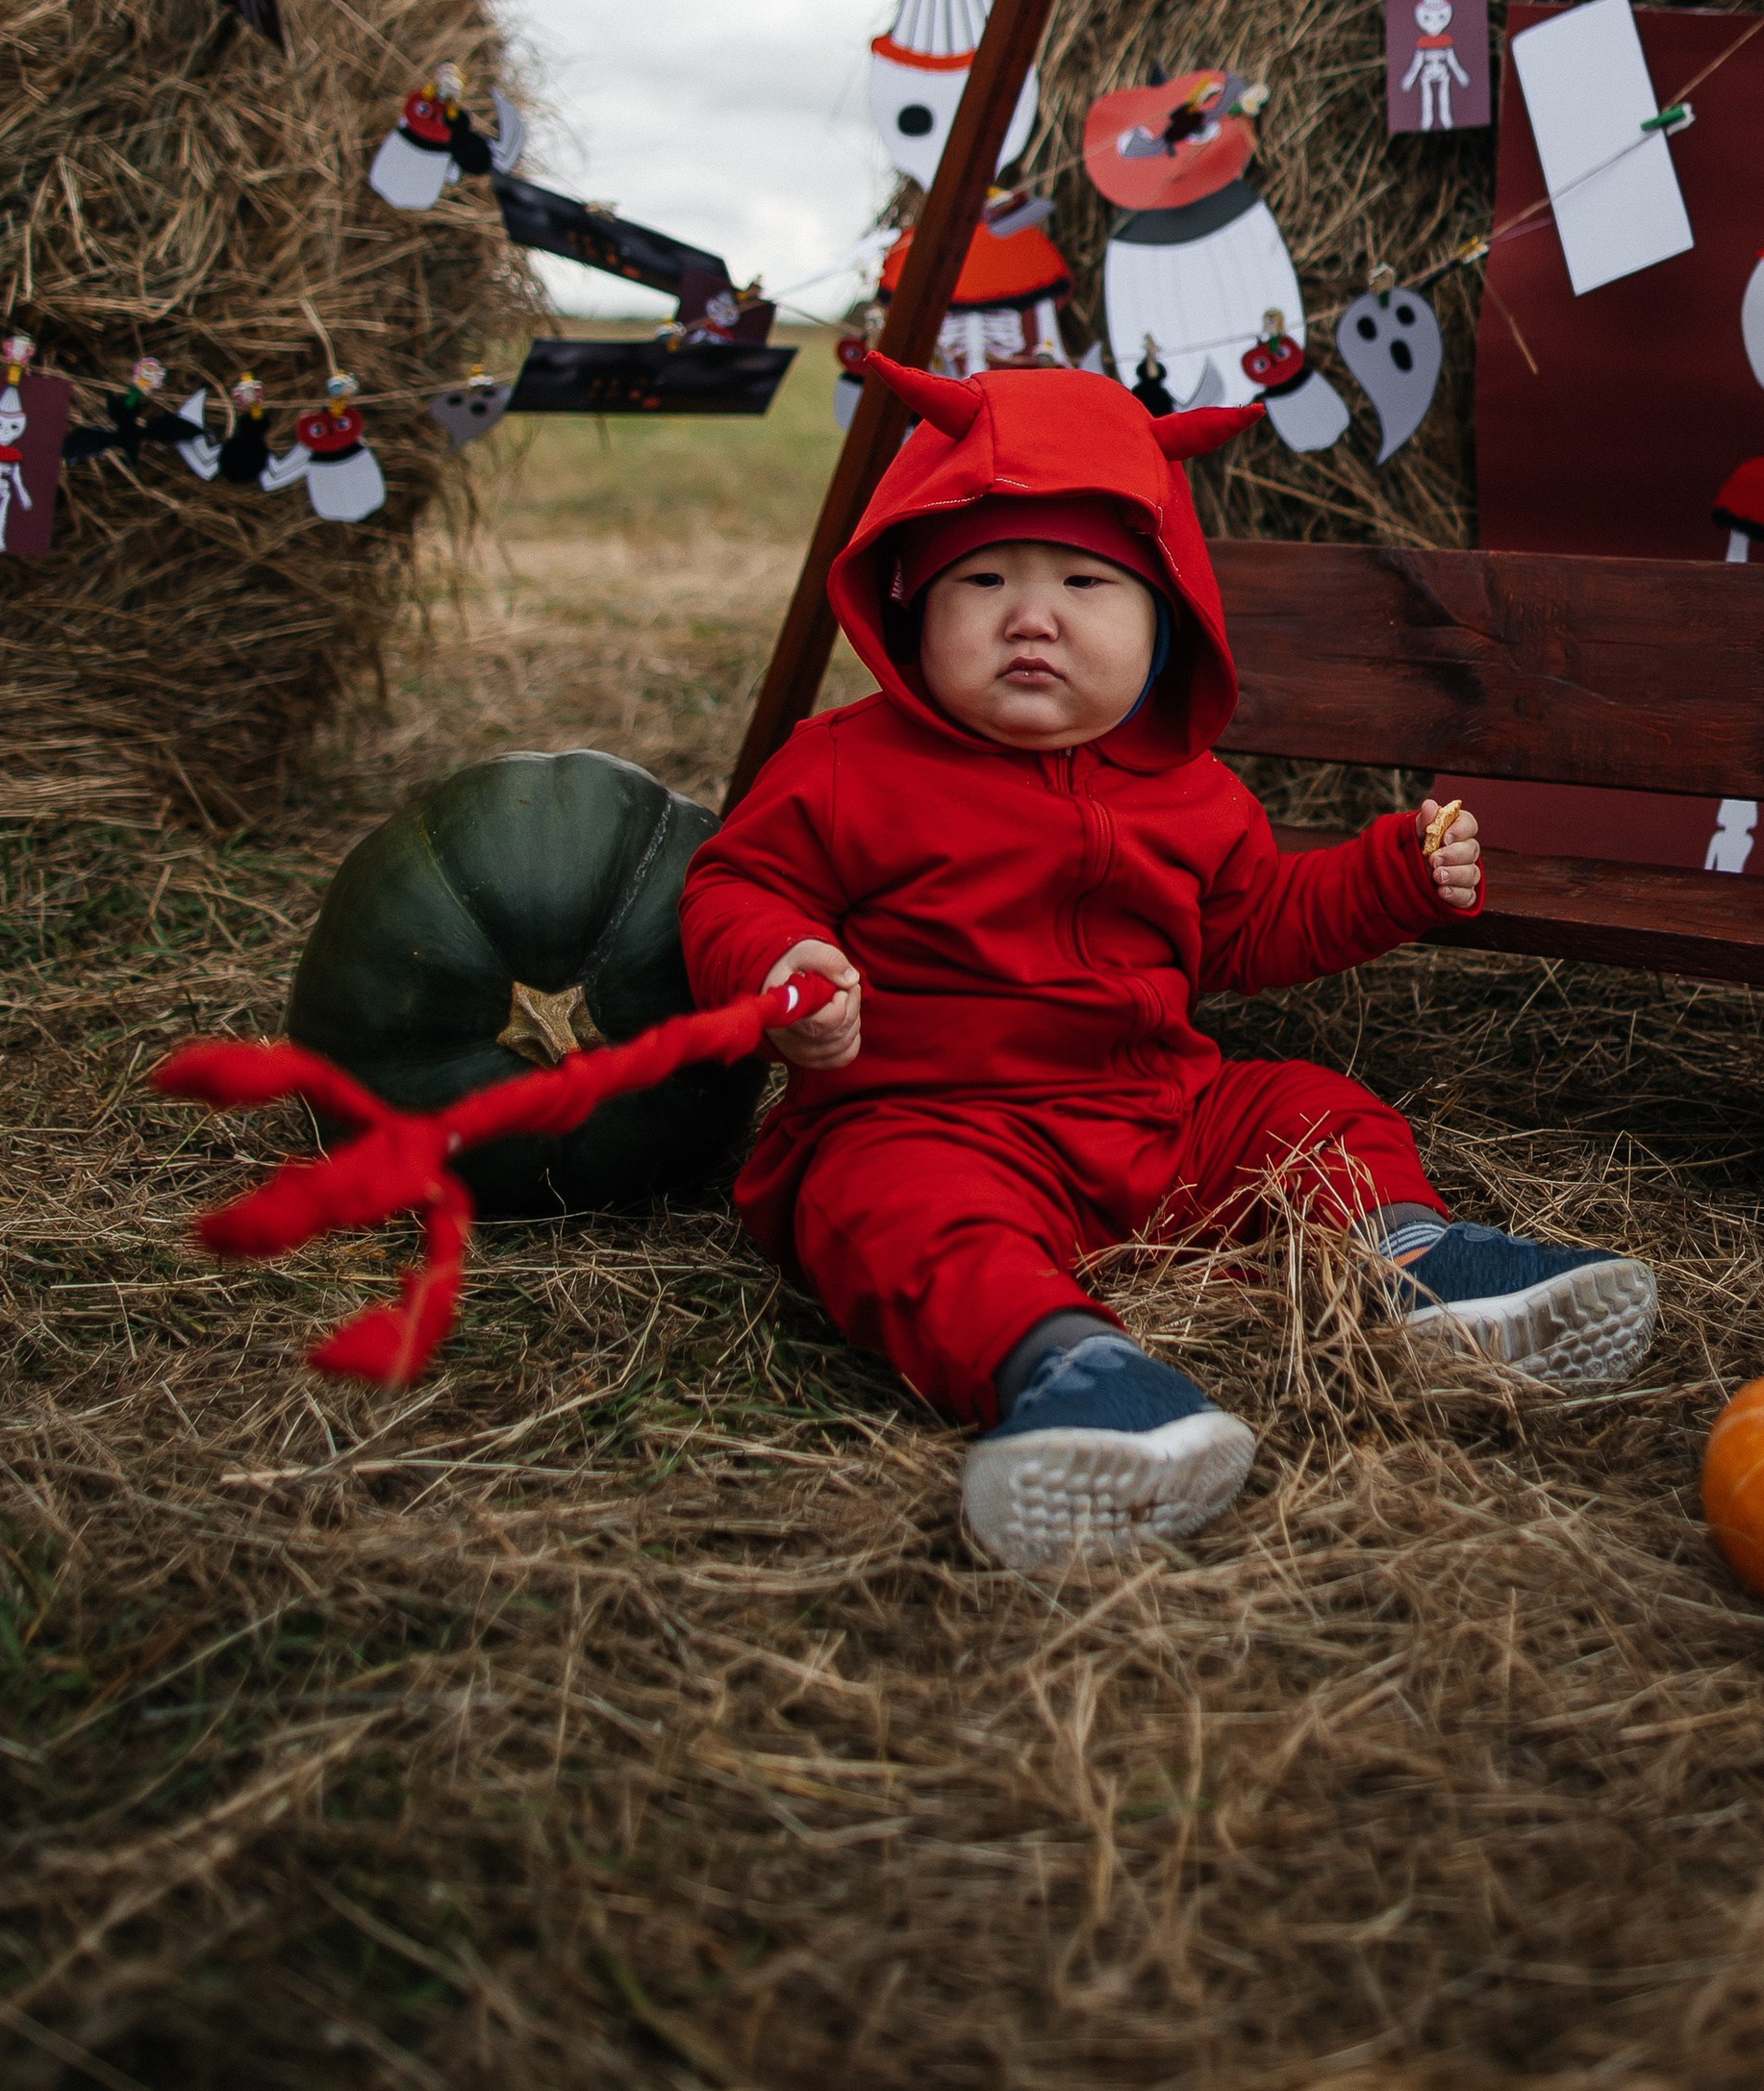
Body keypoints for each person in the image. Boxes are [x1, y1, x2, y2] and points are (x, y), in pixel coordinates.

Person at [681, 356, 1656, 1573]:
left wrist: (1386, 877)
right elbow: (733, 884)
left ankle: (1416, 1264)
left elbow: (1252, 927)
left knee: (1310, 1106)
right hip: (931, 1117)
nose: (1029, 617)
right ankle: (1075, 1378)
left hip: (1158, 1117)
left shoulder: (1191, 793)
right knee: (896, 1214)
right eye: (979, 581)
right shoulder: (844, 766)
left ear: (1165, 620)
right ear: (906, 608)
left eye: (1084, 583)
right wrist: (786, 961)